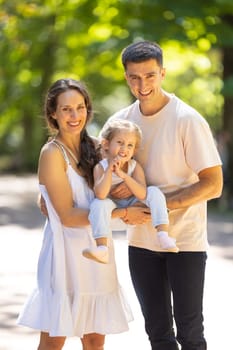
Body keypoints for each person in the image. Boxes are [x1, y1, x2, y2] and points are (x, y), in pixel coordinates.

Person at [104, 41, 223, 350]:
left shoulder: (187, 120)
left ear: (163, 73)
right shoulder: (121, 124)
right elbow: (100, 180)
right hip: (141, 243)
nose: (142, 85)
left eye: (150, 76)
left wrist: (159, 206)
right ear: (126, 77)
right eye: (134, 77)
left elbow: (213, 184)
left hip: (184, 241)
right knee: (158, 334)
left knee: (190, 334)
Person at [17, 78, 133, 350]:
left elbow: (121, 181)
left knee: (94, 339)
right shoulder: (51, 154)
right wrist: (119, 216)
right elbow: (67, 216)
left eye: (80, 107)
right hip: (64, 255)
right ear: (53, 113)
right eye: (66, 109)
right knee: (54, 339)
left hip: (97, 252)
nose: (75, 115)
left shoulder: (97, 147)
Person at [82, 118, 178, 264]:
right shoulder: (100, 167)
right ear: (106, 144)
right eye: (120, 142)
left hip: (134, 205)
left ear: (134, 150)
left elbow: (143, 194)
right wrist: (110, 170)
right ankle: (102, 248)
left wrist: (124, 176)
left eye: (130, 145)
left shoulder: (134, 166)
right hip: (113, 212)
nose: (124, 148)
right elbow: (100, 194)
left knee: (153, 191)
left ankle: (163, 234)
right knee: (97, 204)